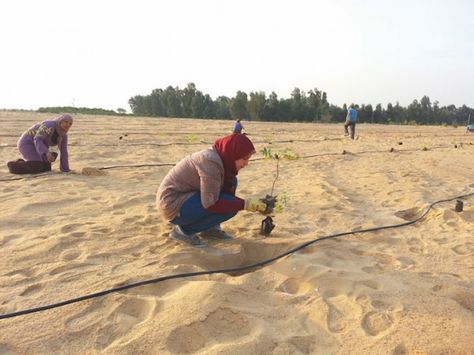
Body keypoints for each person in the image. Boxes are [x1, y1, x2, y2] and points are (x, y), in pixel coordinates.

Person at [156, 133, 268, 247]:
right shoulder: (210, 163)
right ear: (233, 153)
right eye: (244, 159)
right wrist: (246, 204)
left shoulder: (222, 160)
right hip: (172, 204)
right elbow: (210, 204)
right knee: (231, 207)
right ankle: (183, 232)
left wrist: (244, 204)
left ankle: (209, 229)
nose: (246, 164)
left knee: (232, 186)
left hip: (188, 197)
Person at [7, 114, 73, 174]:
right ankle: (12, 165)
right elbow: (38, 139)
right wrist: (46, 152)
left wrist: (65, 169)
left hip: (41, 146)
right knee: (36, 166)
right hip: (27, 143)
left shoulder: (63, 135)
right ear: (60, 121)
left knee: (46, 169)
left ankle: (21, 162)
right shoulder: (49, 125)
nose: (68, 125)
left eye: (70, 124)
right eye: (66, 122)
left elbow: (64, 152)